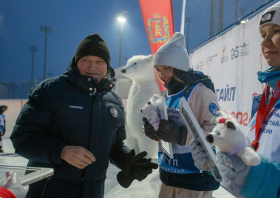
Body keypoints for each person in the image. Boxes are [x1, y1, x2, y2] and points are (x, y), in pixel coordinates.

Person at [10, 33, 158, 198]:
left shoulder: (114, 100)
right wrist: (61, 151)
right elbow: (21, 138)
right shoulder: (51, 91)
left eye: (99, 61)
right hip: (49, 192)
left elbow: (114, 145)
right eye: (86, 60)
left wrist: (126, 160)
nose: (92, 66)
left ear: (107, 66)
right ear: (76, 61)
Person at [191, 2, 280, 198]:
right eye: (263, 35)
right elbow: (249, 153)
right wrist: (216, 160)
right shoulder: (265, 96)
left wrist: (254, 178)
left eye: (276, 31)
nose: (265, 42)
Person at [143, 32, 220, 198]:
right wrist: (155, 133)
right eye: (158, 70)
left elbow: (217, 133)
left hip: (195, 179)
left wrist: (182, 134)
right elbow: (166, 136)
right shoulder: (164, 96)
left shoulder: (198, 91)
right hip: (169, 176)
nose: (162, 75)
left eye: (167, 69)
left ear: (179, 67)